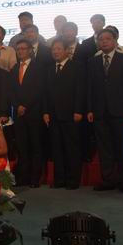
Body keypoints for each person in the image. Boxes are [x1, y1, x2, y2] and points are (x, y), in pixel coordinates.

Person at [87, 28, 123, 193]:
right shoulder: (93, 62)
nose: (104, 41)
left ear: (115, 41)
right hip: (99, 112)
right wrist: (90, 109)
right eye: (101, 39)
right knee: (105, 149)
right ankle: (108, 180)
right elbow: (90, 88)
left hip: (121, 112)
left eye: (107, 39)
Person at [43, 39, 85, 190]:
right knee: (57, 149)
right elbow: (46, 93)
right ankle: (59, 179)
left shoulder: (77, 67)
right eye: (53, 49)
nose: (55, 51)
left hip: (71, 114)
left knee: (71, 148)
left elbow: (80, 90)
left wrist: (78, 110)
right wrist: (46, 112)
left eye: (59, 49)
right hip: (53, 115)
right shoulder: (49, 69)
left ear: (67, 50)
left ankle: (73, 180)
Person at [10, 39, 45, 188]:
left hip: (34, 112)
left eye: (23, 49)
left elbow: (39, 89)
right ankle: (23, 177)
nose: (20, 51)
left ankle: (34, 178)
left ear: (30, 50)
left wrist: (25, 106)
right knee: (22, 147)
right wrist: (17, 105)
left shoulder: (38, 67)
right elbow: (11, 91)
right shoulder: (14, 68)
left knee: (35, 146)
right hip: (19, 114)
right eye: (18, 49)